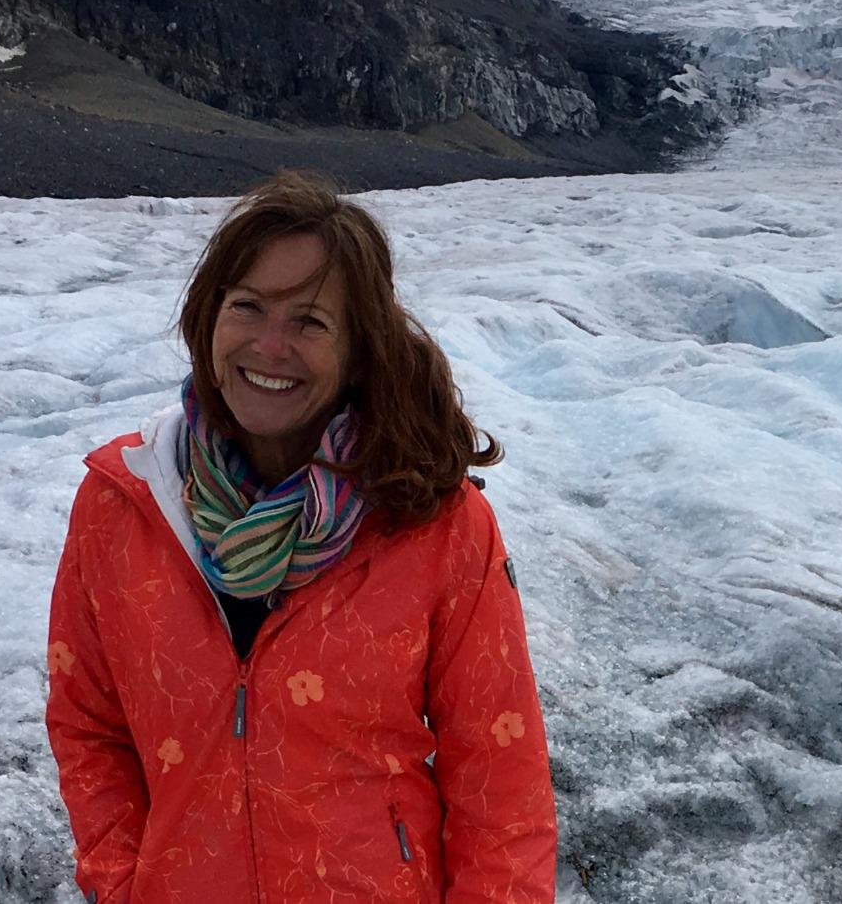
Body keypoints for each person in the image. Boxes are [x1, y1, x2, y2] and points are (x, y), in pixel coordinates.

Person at [44, 169, 557, 903]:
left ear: (360, 351)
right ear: (209, 318)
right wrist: (127, 881)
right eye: (247, 306)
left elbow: (501, 786)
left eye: (311, 322)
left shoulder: (432, 524)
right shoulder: (123, 502)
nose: (269, 345)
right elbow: (87, 722)